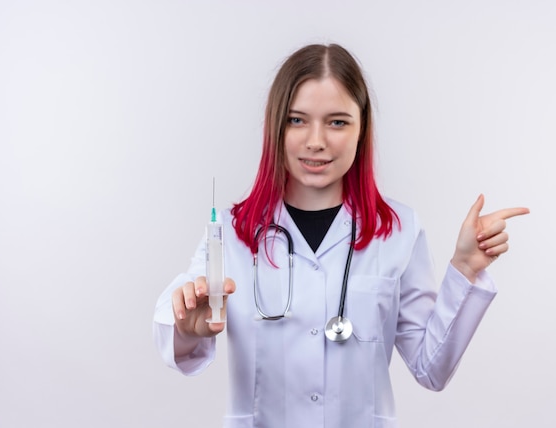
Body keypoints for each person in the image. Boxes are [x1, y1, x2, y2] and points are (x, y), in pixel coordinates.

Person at [153, 43, 529, 428]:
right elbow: (182, 324)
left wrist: (464, 268)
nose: (316, 141)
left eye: (337, 122)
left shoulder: (399, 229)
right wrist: (186, 325)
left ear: (361, 128)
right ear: (275, 126)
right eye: (297, 120)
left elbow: (431, 369)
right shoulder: (233, 231)